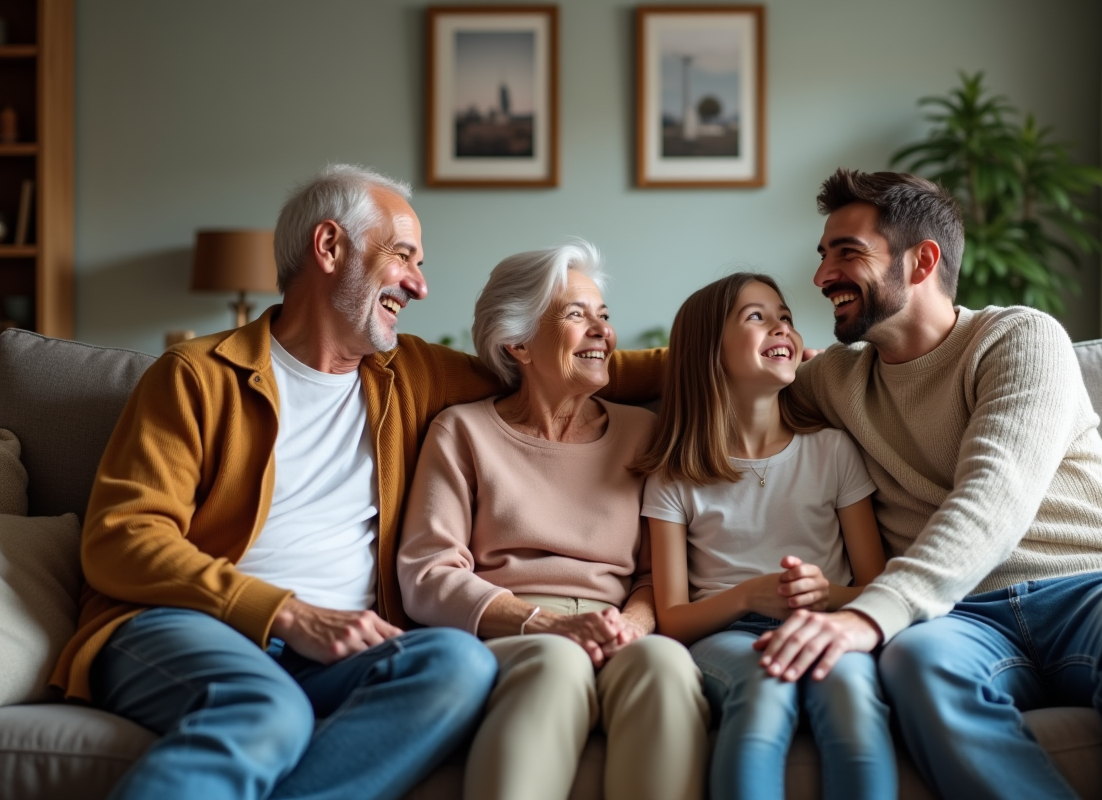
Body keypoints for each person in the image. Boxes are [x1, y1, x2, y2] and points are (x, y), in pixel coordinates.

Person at [49, 166, 663, 800]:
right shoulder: (197, 375)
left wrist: (709, 360)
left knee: (456, 664)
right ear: (329, 246)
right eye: (403, 257)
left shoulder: (411, 373)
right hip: (189, 627)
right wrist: (288, 614)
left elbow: (560, 367)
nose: (420, 285)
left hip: (342, 649)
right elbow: (121, 538)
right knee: (266, 710)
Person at [767, 168, 1102, 799]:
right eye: (823, 254)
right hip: (960, 615)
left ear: (922, 262)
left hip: (1088, 590)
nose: (821, 276)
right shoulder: (836, 379)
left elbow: (995, 492)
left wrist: (870, 614)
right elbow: (724, 382)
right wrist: (617, 370)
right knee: (914, 661)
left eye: (847, 253)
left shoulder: (1019, 337)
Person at [397, 242, 709, 800]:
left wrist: (631, 628)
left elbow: (653, 573)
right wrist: (543, 623)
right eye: (576, 315)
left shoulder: (643, 434)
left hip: (617, 624)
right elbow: (428, 573)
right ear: (516, 343)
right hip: (514, 629)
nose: (602, 331)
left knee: (665, 664)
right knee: (557, 663)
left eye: (604, 316)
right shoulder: (462, 431)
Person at [634, 272, 895, 800]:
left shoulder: (833, 451)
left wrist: (827, 595)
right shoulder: (675, 475)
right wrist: (749, 596)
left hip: (826, 623)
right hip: (728, 637)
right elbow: (673, 619)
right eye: (756, 316)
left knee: (850, 691)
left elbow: (877, 587)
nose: (781, 327)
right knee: (762, 691)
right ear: (709, 351)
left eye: (786, 317)